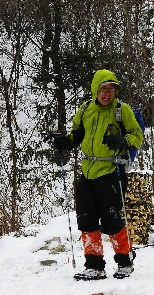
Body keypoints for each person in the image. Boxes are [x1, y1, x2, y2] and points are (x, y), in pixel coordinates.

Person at [52, 69, 143, 280]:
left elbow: (136, 134)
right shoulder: (86, 109)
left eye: (111, 89)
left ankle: (124, 261)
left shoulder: (122, 110)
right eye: (104, 88)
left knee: (112, 221)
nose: (107, 93)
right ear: (96, 89)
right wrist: (66, 142)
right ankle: (94, 266)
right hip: (87, 171)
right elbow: (77, 133)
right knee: (87, 220)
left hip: (111, 171)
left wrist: (123, 141)